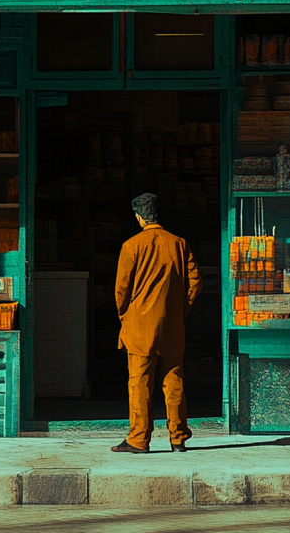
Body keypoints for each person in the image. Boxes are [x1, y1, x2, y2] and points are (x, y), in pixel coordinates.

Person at [112, 192, 201, 453]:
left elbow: (121, 290)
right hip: (171, 326)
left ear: (139, 217)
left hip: (139, 326)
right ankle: (178, 438)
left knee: (140, 382)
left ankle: (139, 439)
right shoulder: (179, 244)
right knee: (174, 381)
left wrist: (125, 315)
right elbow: (195, 282)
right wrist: (178, 310)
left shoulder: (132, 245)